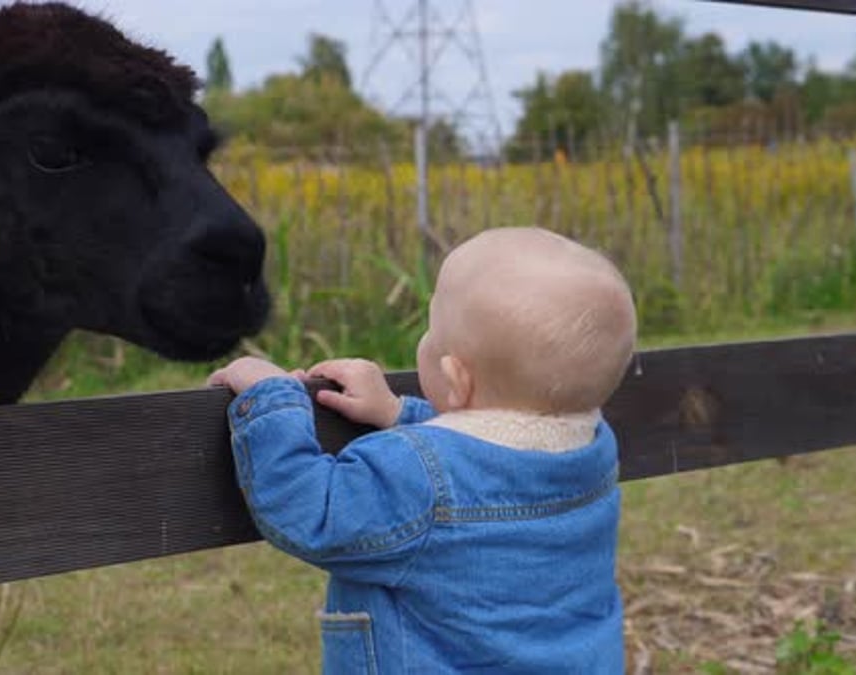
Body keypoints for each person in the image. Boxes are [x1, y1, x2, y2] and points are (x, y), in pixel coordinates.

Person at [208, 226, 637, 673]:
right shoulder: (595, 448)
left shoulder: (418, 479)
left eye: (431, 330)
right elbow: (486, 453)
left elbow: (313, 510)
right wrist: (397, 412)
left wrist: (271, 396)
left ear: (456, 380)